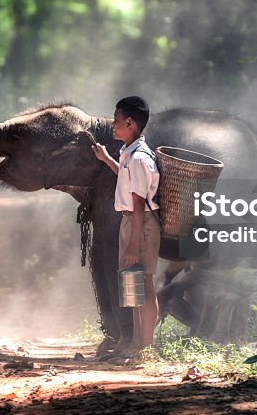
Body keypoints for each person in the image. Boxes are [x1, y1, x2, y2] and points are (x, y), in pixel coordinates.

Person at [91, 96, 161, 359]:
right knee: (133, 285)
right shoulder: (129, 154)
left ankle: (146, 347)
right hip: (130, 222)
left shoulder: (140, 158)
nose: (114, 125)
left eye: (117, 120)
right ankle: (136, 344)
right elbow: (126, 179)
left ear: (130, 123)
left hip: (139, 224)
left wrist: (133, 243)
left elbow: (139, 202)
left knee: (144, 283)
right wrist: (107, 159)